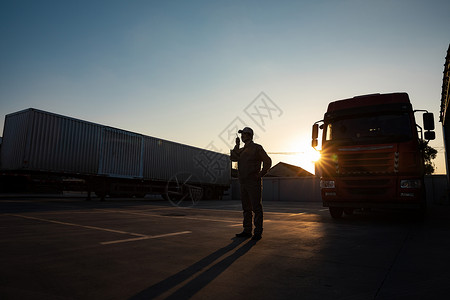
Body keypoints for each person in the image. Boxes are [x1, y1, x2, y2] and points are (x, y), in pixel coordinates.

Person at [230, 127, 272, 241]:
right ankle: (247, 230)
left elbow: (268, 161)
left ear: (249, 135)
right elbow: (233, 158)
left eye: (243, 134)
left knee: (256, 207)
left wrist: (260, 174)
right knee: (246, 208)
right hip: (243, 182)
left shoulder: (257, 148)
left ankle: (258, 232)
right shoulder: (242, 150)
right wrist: (237, 145)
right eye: (241, 134)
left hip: (253, 182)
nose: (242, 136)